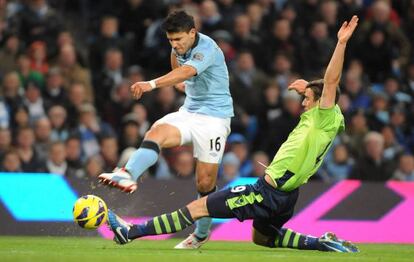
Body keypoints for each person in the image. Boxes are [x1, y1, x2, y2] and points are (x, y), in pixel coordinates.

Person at [106, 16, 360, 253]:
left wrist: (340, 43)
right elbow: (326, 92)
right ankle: (321, 243)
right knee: (263, 238)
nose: (303, 104)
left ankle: (130, 231)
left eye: (307, 99)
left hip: (264, 192)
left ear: (321, 102)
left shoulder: (323, 115)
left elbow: (330, 82)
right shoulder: (333, 119)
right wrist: (308, 86)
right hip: (287, 197)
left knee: (196, 208)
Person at [99, 10, 233, 249]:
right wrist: (182, 84)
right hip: (190, 112)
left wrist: (151, 84)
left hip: (215, 119)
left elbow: (187, 71)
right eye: (171, 40)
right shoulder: (177, 48)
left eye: (179, 39)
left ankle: (201, 234)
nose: (175, 44)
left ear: (193, 33)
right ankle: (128, 174)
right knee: (156, 132)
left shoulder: (208, 47)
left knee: (204, 183)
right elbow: (178, 71)